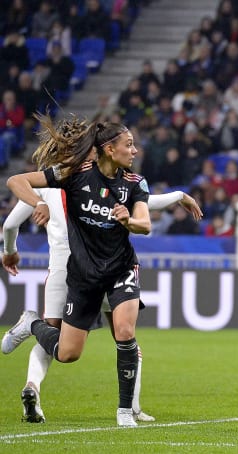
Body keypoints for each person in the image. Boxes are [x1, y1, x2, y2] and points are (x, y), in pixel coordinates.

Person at [2, 175, 201, 423]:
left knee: (52, 339)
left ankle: (33, 385)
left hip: (61, 271)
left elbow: (10, 225)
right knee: (125, 337)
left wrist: (9, 252)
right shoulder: (95, 181)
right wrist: (179, 195)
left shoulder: (44, 187)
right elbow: (144, 201)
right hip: (102, 264)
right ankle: (134, 408)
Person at [2, 115, 152, 427]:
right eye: (129, 145)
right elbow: (16, 181)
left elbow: (146, 224)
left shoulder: (134, 183)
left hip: (122, 268)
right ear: (109, 149)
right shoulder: (73, 176)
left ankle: (125, 410)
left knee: (124, 331)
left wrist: (129, 222)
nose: (135, 150)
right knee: (68, 354)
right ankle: (32, 323)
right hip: (82, 275)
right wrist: (37, 204)